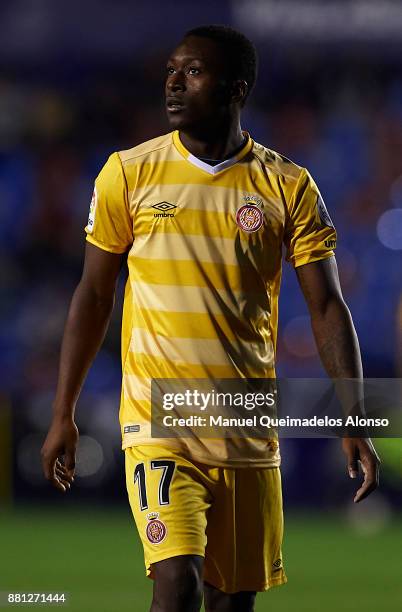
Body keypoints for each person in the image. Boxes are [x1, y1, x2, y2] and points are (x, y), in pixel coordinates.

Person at [41, 24, 380, 612]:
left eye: (193, 71)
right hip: (158, 421)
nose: (173, 83)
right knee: (176, 584)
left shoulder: (288, 186)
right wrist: (62, 411)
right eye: (171, 70)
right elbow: (94, 295)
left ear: (235, 89)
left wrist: (354, 414)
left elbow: (327, 306)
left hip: (245, 425)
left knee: (231, 601)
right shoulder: (128, 174)